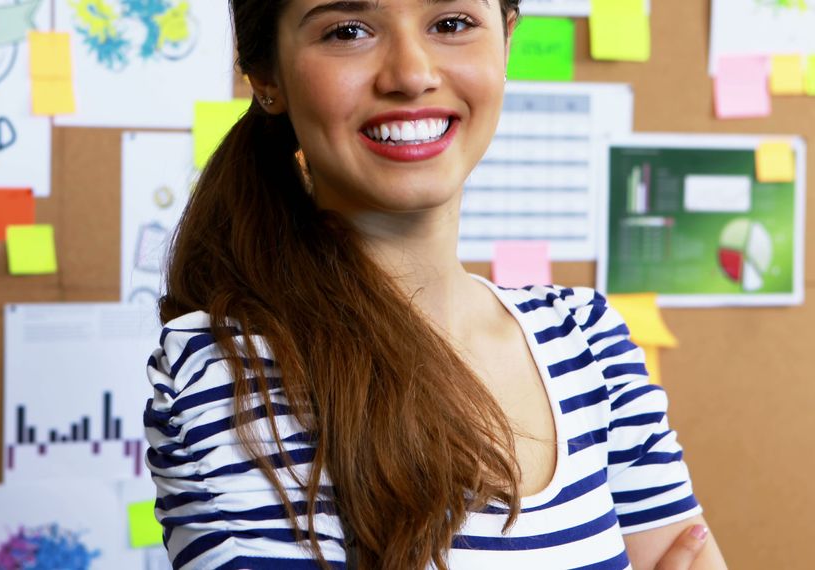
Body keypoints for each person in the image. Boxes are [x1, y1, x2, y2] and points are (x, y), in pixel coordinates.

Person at [144, 0, 729, 568]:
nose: (412, 73)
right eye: (347, 31)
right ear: (266, 74)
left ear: (506, 42)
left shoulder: (586, 342)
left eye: (452, 23)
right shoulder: (235, 373)